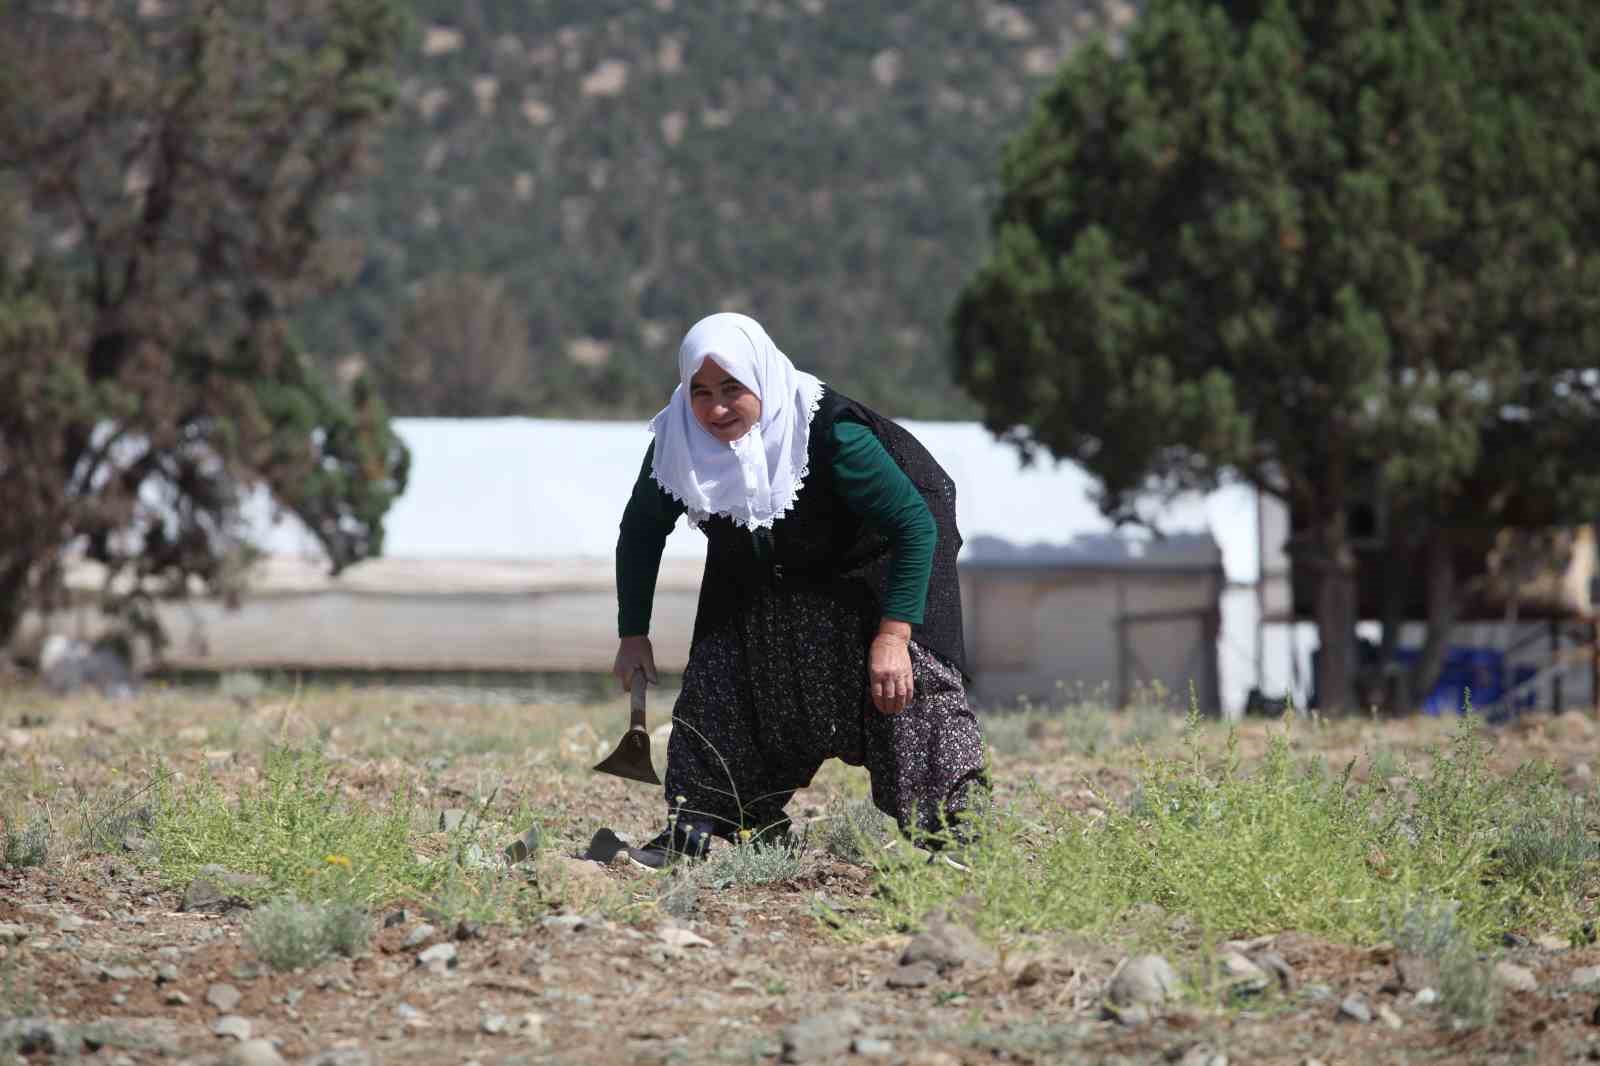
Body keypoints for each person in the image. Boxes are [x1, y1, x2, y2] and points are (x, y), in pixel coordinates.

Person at [612, 312, 986, 868]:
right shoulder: (678, 441)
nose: (715, 409)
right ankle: (706, 827)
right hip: (766, 572)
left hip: (875, 568)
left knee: (909, 685)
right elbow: (640, 533)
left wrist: (894, 633)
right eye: (702, 392)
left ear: (761, 381)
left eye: (732, 389)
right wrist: (633, 634)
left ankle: (952, 841)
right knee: (723, 675)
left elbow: (914, 525)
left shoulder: (830, 431)